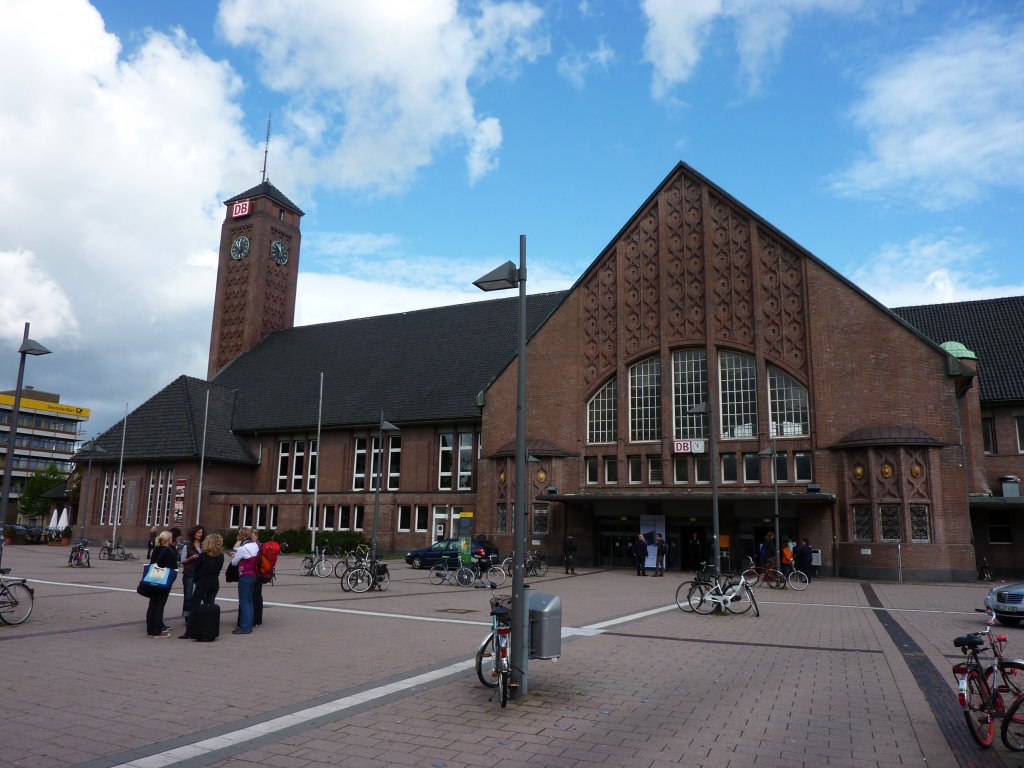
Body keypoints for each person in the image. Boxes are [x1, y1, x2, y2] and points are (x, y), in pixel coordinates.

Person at [180, 533, 225, 639]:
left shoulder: (203, 555)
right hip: (214, 582)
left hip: (203, 582)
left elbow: (196, 569)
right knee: (210, 606)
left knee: (194, 606)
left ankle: (190, 631)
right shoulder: (221, 556)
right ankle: (209, 630)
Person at [145, 530, 179, 637]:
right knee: (160, 605)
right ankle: (157, 630)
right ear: (169, 539)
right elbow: (170, 566)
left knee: (153, 604)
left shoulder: (156, 549)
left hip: (153, 578)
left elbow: (152, 563)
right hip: (163, 580)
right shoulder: (168, 551)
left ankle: (150, 628)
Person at [229, 526, 260, 634]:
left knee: (244, 602)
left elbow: (234, 562)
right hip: (254, 575)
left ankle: (245, 627)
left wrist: (234, 556)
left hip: (245, 575)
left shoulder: (243, 548)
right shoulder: (255, 545)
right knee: (250, 601)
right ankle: (249, 624)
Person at [179, 525, 205, 618]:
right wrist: (191, 558)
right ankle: (187, 616)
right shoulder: (187, 546)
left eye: (201, 532)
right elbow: (183, 561)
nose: (200, 534)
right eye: (198, 532)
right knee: (188, 596)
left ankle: (196, 614)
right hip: (189, 572)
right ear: (194, 533)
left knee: (200, 595)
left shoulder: (204, 545)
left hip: (200, 573)